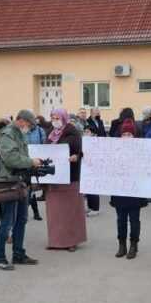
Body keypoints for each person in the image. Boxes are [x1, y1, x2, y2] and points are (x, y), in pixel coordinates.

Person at [0, 110, 43, 270]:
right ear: (21, 121)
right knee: (7, 222)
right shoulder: (7, 134)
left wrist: (32, 166)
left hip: (20, 181)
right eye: (29, 124)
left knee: (21, 219)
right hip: (8, 182)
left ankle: (18, 254)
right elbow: (11, 159)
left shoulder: (19, 133)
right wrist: (31, 162)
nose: (30, 128)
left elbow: (20, 156)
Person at [44, 108, 86, 251]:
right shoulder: (50, 133)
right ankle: (55, 241)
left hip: (70, 177)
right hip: (53, 177)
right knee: (54, 212)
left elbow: (82, 152)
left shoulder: (73, 132)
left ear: (64, 118)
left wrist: (76, 157)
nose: (54, 121)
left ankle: (72, 241)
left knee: (70, 211)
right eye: (52, 118)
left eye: (57, 118)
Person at [112, 119, 148, 259]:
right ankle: (122, 244)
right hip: (119, 190)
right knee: (120, 219)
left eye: (129, 134)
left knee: (134, 219)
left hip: (135, 191)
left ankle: (133, 244)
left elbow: (150, 164)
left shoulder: (141, 151)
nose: (126, 137)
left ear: (134, 136)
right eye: (124, 134)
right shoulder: (114, 151)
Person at [23, 118, 47, 221]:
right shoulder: (23, 130)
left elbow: (44, 144)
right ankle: (31, 213)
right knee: (29, 187)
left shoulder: (40, 131)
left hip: (36, 162)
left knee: (31, 188)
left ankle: (32, 213)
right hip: (25, 162)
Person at [81, 124, 101, 217]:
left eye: (87, 132)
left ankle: (95, 209)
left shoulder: (97, 143)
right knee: (88, 188)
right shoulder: (84, 142)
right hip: (86, 168)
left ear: (93, 134)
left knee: (94, 189)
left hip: (94, 168)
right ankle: (90, 206)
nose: (85, 133)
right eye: (84, 132)